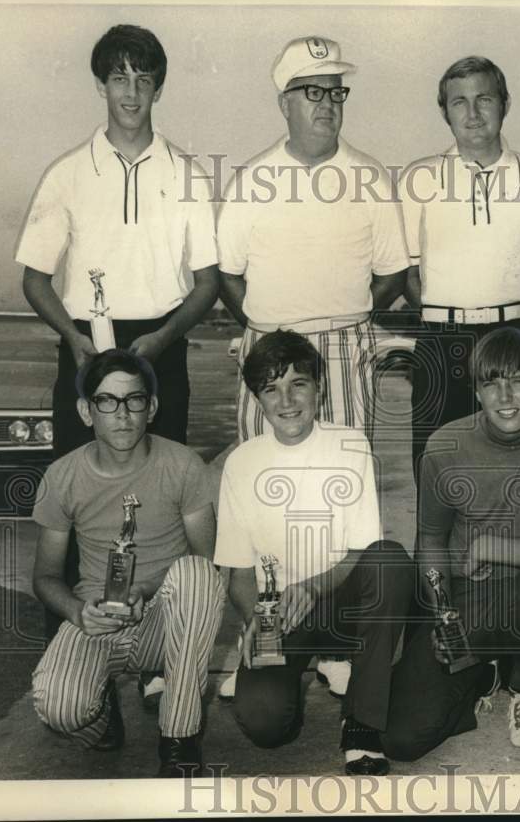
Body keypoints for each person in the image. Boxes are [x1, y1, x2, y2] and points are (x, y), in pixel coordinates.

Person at [16, 25, 220, 653]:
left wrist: (162, 337)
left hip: (162, 345)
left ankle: (164, 653)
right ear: (101, 84)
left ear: (158, 86)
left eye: (144, 77)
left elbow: (208, 284)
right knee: (78, 496)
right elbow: (35, 280)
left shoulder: (187, 172)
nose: (131, 91)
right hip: (87, 349)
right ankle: (72, 648)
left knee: (167, 500)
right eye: (119, 77)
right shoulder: (68, 173)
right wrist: (76, 340)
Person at [381, 327, 520, 758]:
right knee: (401, 740)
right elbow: (429, 539)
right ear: (477, 391)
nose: (504, 395)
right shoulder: (445, 445)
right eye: (490, 383)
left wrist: (490, 547)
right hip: (471, 601)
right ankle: (483, 675)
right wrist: (442, 609)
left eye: (517, 380)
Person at [214, 330, 413, 776]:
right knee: (266, 724)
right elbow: (238, 570)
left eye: (297, 384)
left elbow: (362, 550)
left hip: (338, 602)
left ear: (319, 390)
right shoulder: (241, 462)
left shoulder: (351, 444)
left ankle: (361, 725)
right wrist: (256, 624)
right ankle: (304, 668)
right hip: (280, 614)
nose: (286, 400)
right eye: (271, 388)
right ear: (257, 400)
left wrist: (312, 585)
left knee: (390, 560)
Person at [30, 349, 225, 777]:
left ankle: (178, 739)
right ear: (86, 410)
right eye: (107, 401)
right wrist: (78, 611)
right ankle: (101, 712)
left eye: (134, 400)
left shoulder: (183, 465)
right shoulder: (61, 476)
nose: (122, 414)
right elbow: (44, 577)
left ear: (151, 407)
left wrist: (146, 591)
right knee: (60, 710)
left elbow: (208, 562)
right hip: (96, 620)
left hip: (164, 618)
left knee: (198, 575)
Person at [217, 36, 409, 445]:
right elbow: (227, 275)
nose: (328, 104)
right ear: (284, 103)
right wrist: (266, 329)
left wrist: (346, 318)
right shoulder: (250, 181)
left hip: (346, 348)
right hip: (268, 345)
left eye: (336, 93)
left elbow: (393, 273)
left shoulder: (371, 178)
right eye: (313, 92)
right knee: (264, 476)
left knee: (344, 475)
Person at [400, 57, 520, 486]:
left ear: (505, 103)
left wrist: (510, 321)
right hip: (440, 344)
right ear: (444, 111)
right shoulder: (419, 179)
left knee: (514, 471)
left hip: (511, 340)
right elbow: (408, 273)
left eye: (484, 99)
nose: (472, 113)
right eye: (458, 102)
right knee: (435, 467)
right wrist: (445, 317)